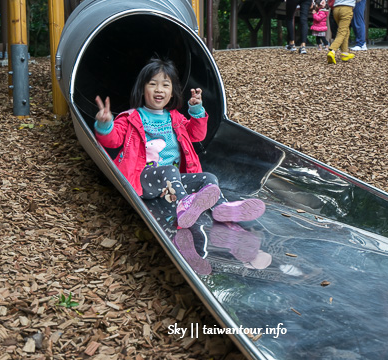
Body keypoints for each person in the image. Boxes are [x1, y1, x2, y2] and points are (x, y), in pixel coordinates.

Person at [94, 58, 265, 272]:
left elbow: (197, 134)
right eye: (153, 83)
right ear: (142, 88)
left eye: (165, 85)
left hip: (171, 181)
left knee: (208, 178)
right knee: (169, 171)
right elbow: (112, 140)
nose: (159, 89)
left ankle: (222, 209)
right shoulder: (131, 118)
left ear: (173, 92)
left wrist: (196, 111)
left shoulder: (175, 118)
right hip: (143, 180)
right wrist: (104, 124)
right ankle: (185, 204)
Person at [319, 0, 362, 64]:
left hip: (336, 10)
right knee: (342, 32)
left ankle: (345, 54)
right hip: (347, 10)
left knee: (345, 30)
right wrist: (355, 0)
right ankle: (332, 50)